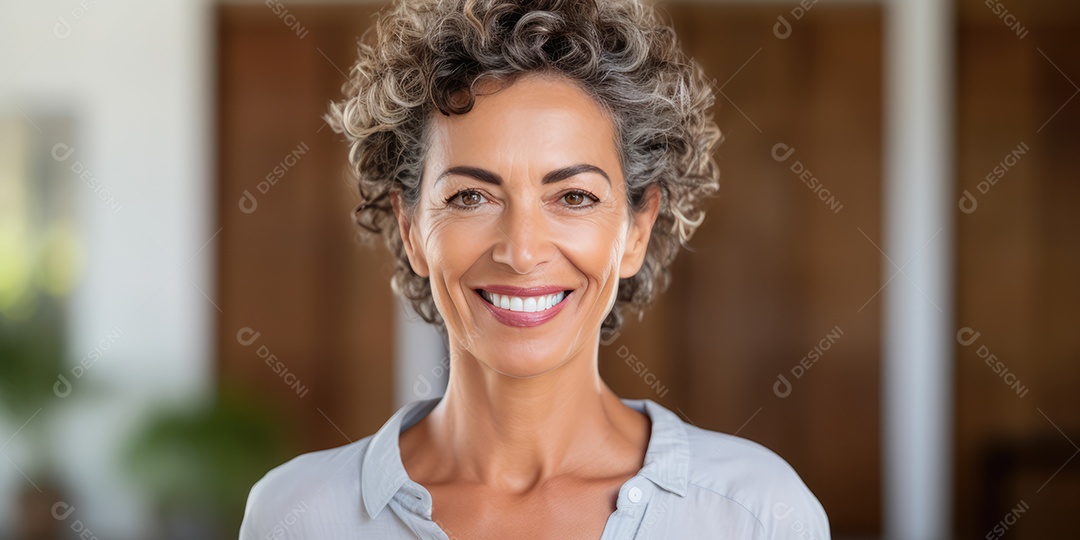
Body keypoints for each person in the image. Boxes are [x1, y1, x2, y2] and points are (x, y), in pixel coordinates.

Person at [240, 0, 829, 538]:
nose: (521, 252)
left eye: (573, 197)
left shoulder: (754, 512)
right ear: (411, 228)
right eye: (471, 196)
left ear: (637, 230)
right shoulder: (297, 514)